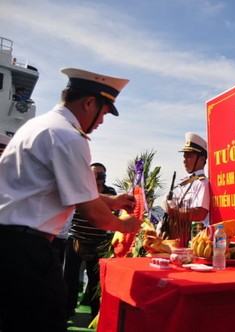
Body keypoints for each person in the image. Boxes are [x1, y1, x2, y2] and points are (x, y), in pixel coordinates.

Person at [0, 67, 142, 332]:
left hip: (10, 244)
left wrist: (111, 201)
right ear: (89, 103)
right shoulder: (68, 136)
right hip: (27, 251)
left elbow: (50, 186)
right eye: (103, 113)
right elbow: (94, 214)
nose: (100, 122)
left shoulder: (37, 126)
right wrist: (126, 225)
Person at [64, 162, 116, 319]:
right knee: (69, 277)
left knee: (95, 281)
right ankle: (67, 310)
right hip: (76, 238)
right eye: (94, 174)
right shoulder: (81, 190)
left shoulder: (111, 192)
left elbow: (112, 207)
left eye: (101, 174)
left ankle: (95, 314)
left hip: (98, 242)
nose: (98, 177)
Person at [157, 132, 210, 239]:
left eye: (189, 156)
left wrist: (175, 211)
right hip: (173, 237)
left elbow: (200, 214)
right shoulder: (183, 183)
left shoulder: (203, 183)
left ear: (201, 159)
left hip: (190, 239)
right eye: (184, 156)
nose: (184, 160)